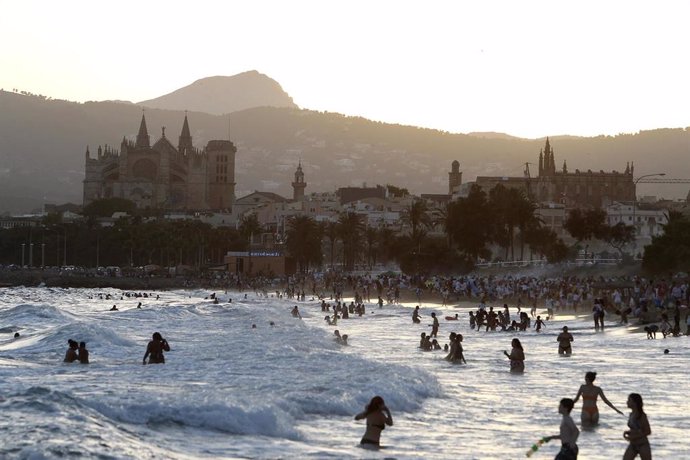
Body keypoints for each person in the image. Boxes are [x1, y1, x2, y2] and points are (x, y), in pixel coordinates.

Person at [623, 393, 652, 460]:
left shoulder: (641, 415)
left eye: (629, 400)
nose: (627, 402)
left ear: (635, 403)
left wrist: (635, 436)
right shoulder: (631, 414)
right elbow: (636, 429)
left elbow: (648, 431)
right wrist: (627, 432)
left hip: (642, 444)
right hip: (633, 444)